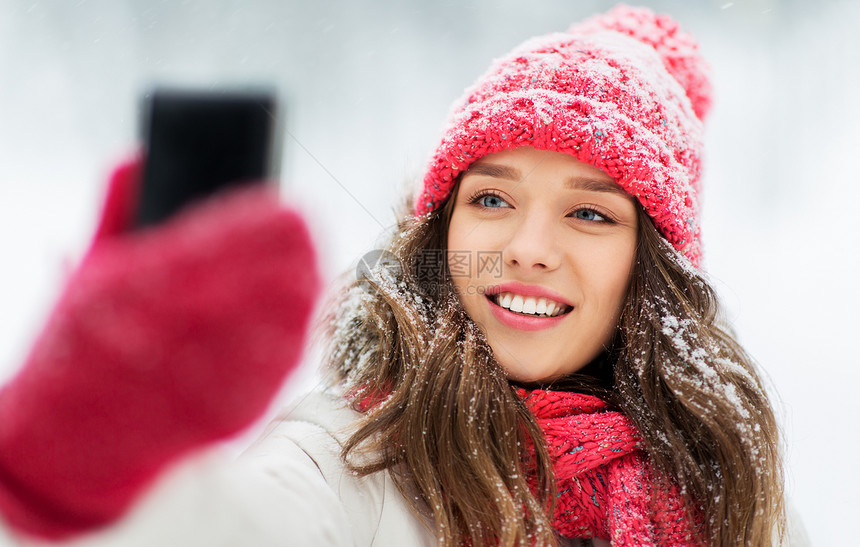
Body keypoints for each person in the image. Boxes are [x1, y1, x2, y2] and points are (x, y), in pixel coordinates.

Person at [0, 5, 804, 546]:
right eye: (491, 197)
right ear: (442, 226)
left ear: (651, 268)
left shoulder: (726, 489)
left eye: (589, 213)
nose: (526, 247)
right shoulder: (353, 456)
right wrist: (90, 466)